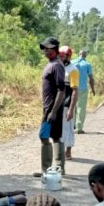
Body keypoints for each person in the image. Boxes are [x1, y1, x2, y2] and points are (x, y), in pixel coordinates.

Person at [33, 37, 66, 177]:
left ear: (53, 49)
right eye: (44, 48)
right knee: (54, 136)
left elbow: (62, 90)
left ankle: (51, 169)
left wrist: (53, 111)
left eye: (47, 48)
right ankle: (55, 169)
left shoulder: (57, 65)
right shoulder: (51, 63)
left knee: (46, 136)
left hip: (53, 109)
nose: (44, 51)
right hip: (48, 107)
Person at [59, 46, 80, 160]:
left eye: (62, 56)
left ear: (68, 56)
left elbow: (75, 91)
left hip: (67, 103)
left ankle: (68, 152)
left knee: (68, 128)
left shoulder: (73, 70)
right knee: (59, 129)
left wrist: (71, 109)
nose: (60, 57)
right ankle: (59, 151)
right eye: (59, 55)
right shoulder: (58, 68)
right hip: (57, 103)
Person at [72, 50, 96, 134]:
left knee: (72, 106)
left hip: (72, 87)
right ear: (85, 56)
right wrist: (93, 89)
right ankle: (79, 128)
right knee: (81, 108)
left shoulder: (72, 62)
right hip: (82, 88)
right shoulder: (87, 64)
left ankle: (71, 126)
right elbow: (91, 79)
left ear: (78, 54)